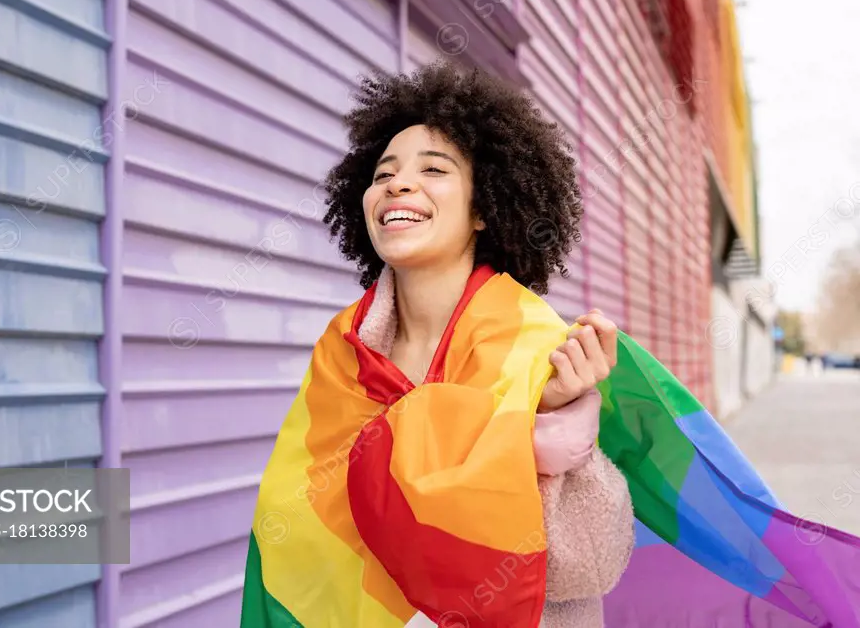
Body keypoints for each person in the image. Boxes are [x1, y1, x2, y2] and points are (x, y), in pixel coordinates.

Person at [240, 62, 860, 628]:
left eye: (433, 169)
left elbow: (587, 567)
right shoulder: (342, 353)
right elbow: (292, 528)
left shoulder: (541, 350)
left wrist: (554, 434)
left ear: (485, 207)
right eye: (384, 175)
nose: (399, 186)